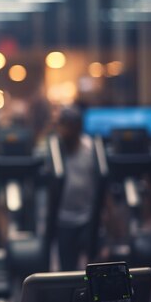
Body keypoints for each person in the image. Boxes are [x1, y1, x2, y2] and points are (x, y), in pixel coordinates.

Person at [55, 105, 98, 271]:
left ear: (78, 126)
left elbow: (100, 182)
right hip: (64, 219)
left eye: (69, 125)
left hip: (87, 217)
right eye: (62, 124)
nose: (64, 130)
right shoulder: (56, 149)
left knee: (93, 265)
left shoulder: (90, 148)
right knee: (67, 268)